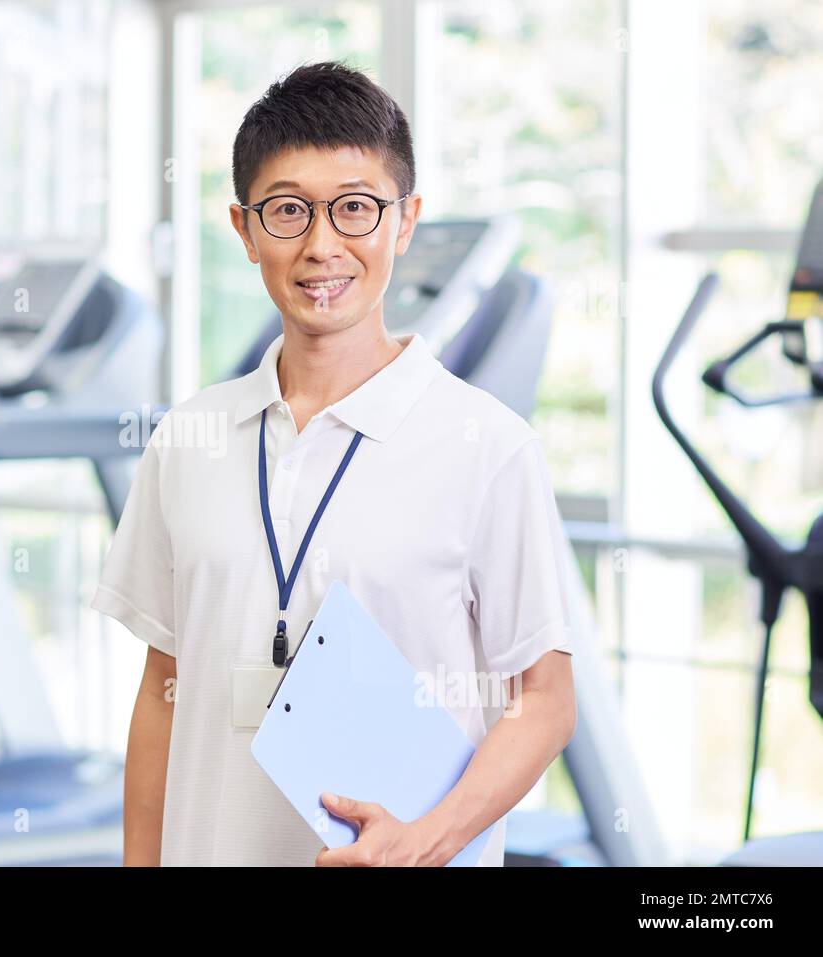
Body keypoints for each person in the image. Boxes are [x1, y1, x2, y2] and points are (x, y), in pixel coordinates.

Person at [90, 60, 576, 867]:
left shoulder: (487, 445)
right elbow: (161, 693)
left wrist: (429, 840)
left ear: (405, 221)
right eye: (288, 212)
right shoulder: (188, 437)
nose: (323, 246)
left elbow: (545, 702)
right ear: (245, 230)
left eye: (355, 209)